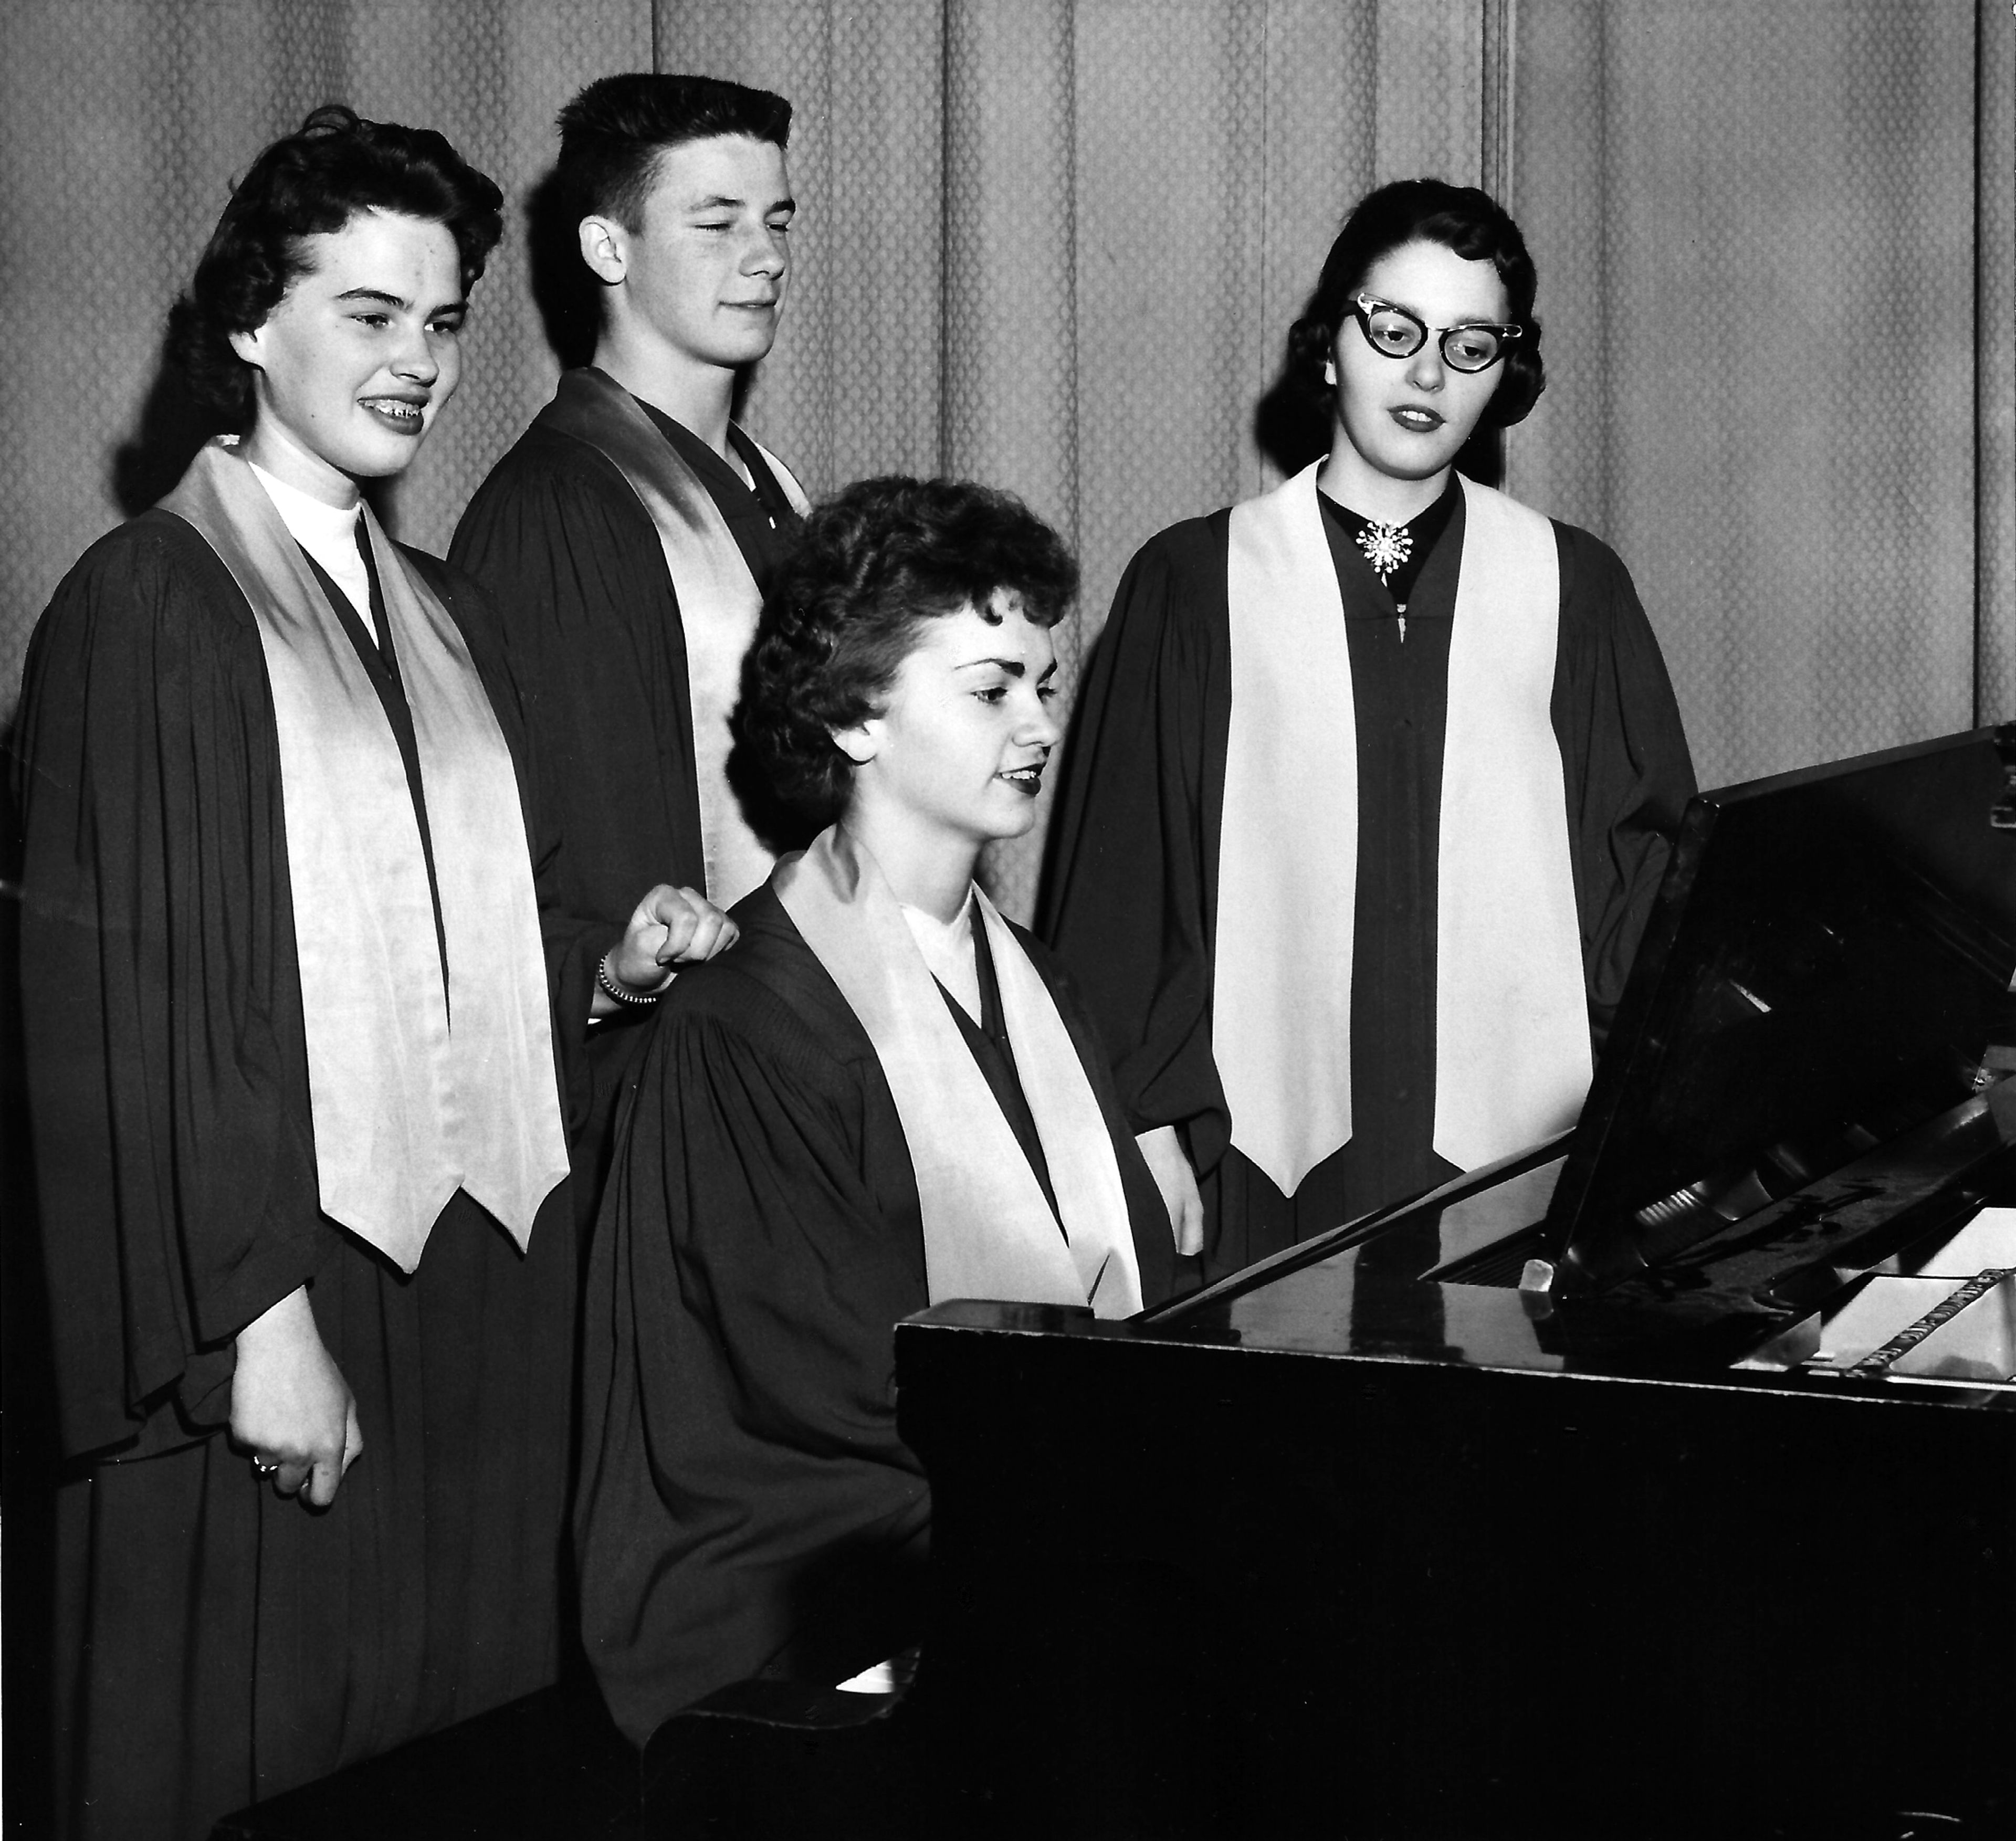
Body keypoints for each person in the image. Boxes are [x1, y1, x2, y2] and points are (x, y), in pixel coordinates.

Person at [11, 107, 733, 1841]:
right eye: (367, 313)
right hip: (278, 1293)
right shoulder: (148, 607)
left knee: (457, 1758)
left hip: (482, 1297)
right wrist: (255, 1325)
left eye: (441, 320)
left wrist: (605, 966)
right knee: (269, 1753)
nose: (416, 362)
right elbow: (138, 1010)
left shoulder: (444, 603)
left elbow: (448, 932)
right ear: (250, 323)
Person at [574, 477, 1179, 1745]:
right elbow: (829, 1397)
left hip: (1017, 1531)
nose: (1036, 723)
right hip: (819, 1599)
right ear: (855, 716)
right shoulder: (742, 1025)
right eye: (990, 686)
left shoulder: (1036, 980)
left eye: (1045, 685)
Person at [1040, 178, 1696, 1285]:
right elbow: (1122, 891)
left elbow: (1643, 889)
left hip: (1519, 1169)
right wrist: (1143, 1127)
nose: (1428, 372)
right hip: (1260, 1162)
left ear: (1507, 374)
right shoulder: (1198, 584)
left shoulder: (1573, 589)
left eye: (1471, 343)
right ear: (1332, 344)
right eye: (1394, 330)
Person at [449, 73, 808, 1224]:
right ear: (608, 245)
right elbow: (598, 890)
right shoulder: (561, 505)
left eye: (777, 221)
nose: (764, 257)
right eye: (717, 222)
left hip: (799, 1074)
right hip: (671, 1114)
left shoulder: (773, 488)